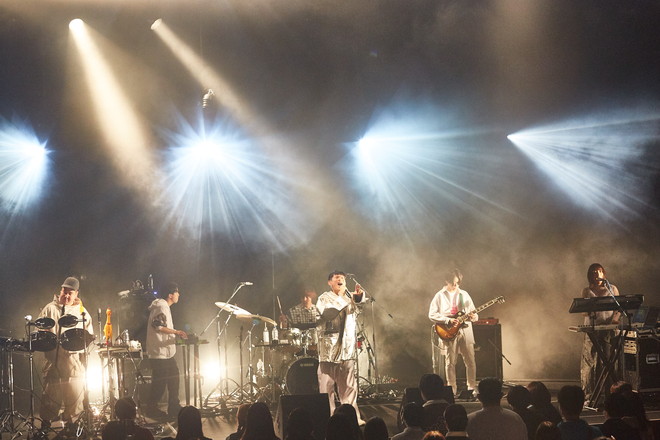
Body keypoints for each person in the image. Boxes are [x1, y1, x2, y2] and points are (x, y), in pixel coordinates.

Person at [38, 277, 94, 424]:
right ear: (60, 290)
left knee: (74, 395)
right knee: (50, 394)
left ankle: (72, 424)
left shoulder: (82, 312)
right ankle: (46, 423)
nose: (67, 296)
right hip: (52, 359)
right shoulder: (49, 308)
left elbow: (88, 336)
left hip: (72, 361)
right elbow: (39, 330)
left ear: (76, 294)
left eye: (71, 293)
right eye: (65, 292)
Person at [316, 271, 366, 421]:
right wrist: (346, 298)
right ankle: (328, 418)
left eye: (343, 278)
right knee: (326, 387)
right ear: (330, 282)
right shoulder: (324, 298)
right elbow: (327, 313)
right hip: (329, 350)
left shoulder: (350, 297)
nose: (341, 280)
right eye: (337, 278)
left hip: (347, 348)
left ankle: (351, 418)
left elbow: (358, 309)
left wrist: (358, 297)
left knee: (349, 386)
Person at [428, 269, 478, 394]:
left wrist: (474, 317)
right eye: (453, 283)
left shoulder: (464, 294)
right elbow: (431, 314)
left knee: (470, 361)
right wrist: (447, 320)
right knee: (450, 362)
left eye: (457, 282)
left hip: (466, 330)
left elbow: (474, 314)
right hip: (449, 330)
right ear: (447, 281)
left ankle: (472, 388)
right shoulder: (439, 295)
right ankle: (452, 389)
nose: (456, 285)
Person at [145, 282, 188, 419]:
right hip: (159, 353)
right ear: (170, 295)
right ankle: (151, 410)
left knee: (174, 378)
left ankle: (174, 407)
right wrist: (176, 332)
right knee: (160, 383)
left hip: (165, 352)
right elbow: (158, 325)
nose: (178, 294)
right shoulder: (162, 306)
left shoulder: (163, 306)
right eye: (176, 292)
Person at [580, 263, 620, 401]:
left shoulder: (612, 288)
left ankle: (610, 394)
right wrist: (590, 311)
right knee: (592, 362)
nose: (597, 274)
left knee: (608, 360)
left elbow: (618, 308)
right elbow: (583, 311)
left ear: (604, 273)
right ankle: (591, 395)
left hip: (608, 329)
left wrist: (614, 320)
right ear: (590, 275)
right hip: (593, 329)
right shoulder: (586, 290)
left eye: (599, 271)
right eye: (594, 272)